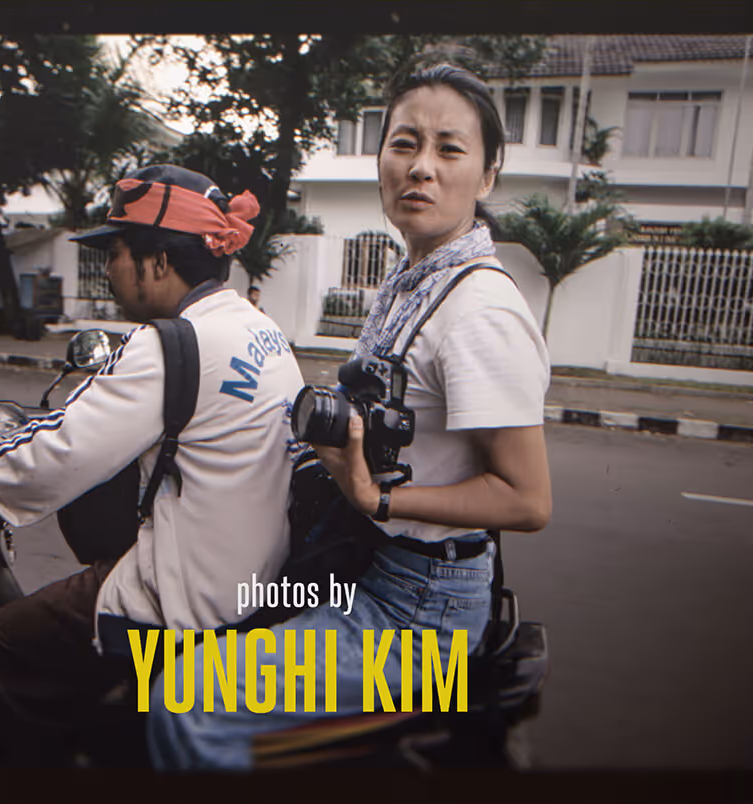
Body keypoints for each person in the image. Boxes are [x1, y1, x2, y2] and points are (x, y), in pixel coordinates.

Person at [146, 61, 553, 771]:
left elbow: (527, 500)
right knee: (198, 612)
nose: (421, 167)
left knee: (188, 694)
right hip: (365, 559)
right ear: (380, 158)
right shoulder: (416, 279)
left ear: (487, 176)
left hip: (417, 607)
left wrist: (379, 496)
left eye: (450, 149)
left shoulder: (480, 309)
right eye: (404, 143)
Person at [0, 164, 303, 762]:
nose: (109, 270)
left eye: (116, 253)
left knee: (0, 640)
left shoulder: (169, 344)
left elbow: (58, 455)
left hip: (189, 595)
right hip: (255, 577)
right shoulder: (261, 330)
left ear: (158, 261)